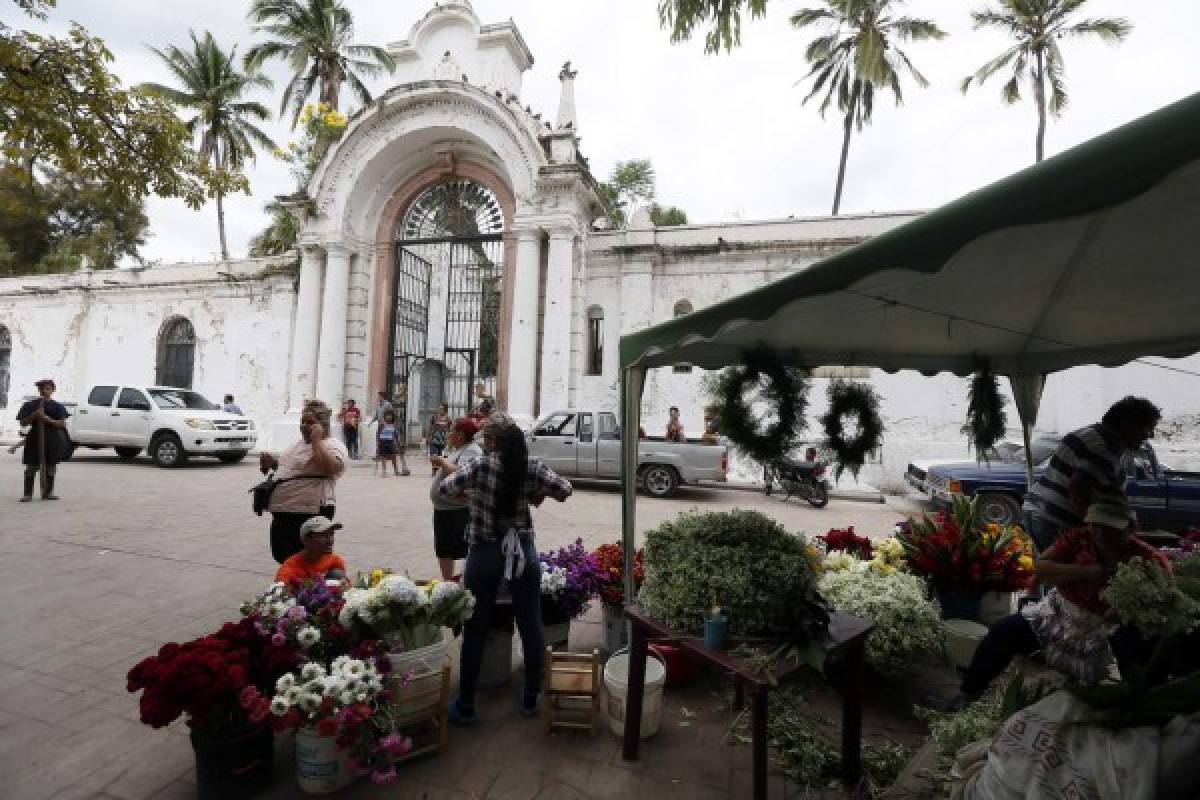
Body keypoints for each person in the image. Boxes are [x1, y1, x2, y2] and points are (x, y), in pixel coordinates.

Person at [948, 501, 1171, 710]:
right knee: (1003, 632)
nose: (1101, 534)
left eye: (1110, 529)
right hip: (1059, 614)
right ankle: (968, 692)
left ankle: (1132, 707)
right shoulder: (1079, 539)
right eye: (1096, 526)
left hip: (1108, 626)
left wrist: (1126, 611)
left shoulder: (1148, 558)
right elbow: (1041, 568)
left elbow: (1162, 602)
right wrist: (1085, 572)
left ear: (1131, 528)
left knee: (1132, 654)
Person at [437, 413, 573, 724]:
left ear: (495, 441)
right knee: (530, 621)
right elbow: (564, 490)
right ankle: (530, 698)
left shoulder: (480, 466)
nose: (483, 443)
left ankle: (467, 705)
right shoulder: (530, 466)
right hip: (522, 552)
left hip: (484, 553)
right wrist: (535, 495)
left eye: (486, 438)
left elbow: (444, 490)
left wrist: (470, 495)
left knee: (476, 627)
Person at [1023, 396, 1161, 551]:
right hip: (1057, 522)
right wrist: (1092, 532)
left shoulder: (1091, 433)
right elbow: (1079, 487)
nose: (1150, 435)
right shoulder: (1103, 448)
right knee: (1070, 573)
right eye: (1148, 428)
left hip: (1040, 514)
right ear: (1128, 424)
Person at [259, 401, 349, 563]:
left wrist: (316, 441)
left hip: (310, 512)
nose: (304, 426)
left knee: (309, 560)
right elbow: (294, 468)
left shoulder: (333, 445)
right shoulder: (297, 444)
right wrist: (273, 463)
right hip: (284, 512)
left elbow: (331, 468)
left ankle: (309, 588)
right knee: (286, 558)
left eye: (310, 422)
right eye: (302, 421)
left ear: (323, 425)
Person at [429, 416, 485, 580]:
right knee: (444, 549)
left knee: (461, 549)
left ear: (460, 434)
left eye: (452, 430)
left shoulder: (472, 450)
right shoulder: (460, 449)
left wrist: (441, 462)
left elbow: (463, 474)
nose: (448, 433)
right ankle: (448, 582)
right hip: (445, 509)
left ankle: (464, 582)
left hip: (458, 510)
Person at [16, 379, 71, 502]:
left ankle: (48, 492)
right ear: (39, 390)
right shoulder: (30, 405)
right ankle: (28, 494)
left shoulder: (58, 406)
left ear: (52, 390)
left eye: (47, 388)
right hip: (34, 440)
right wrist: (34, 415)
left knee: (51, 467)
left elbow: (62, 424)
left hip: (52, 440)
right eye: (42, 389)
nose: (44, 391)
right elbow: (23, 423)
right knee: (31, 467)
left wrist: (46, 419)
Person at [275, 517, 347, 584]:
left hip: (328, 595)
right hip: (299, 596)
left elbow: (346, 588)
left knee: (337, 574)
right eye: (323, 535)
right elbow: (278, 592)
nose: (330, 540)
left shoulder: (335, 561)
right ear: (306, 540)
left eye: (331, 534)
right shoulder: (289, 567)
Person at [376, 408, 409, 477]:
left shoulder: (393, 425)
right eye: (387, 415)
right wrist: (378, 443)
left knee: (393, 456)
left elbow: (395, 434)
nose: (389, 417)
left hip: (390, 441)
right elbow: (378, 433)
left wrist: (398, 442)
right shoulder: (382, 424)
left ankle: (396, 471)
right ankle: (384, 471)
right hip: (383, 441)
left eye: (390, 416)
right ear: (385, 416)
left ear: (392, 416)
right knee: (383, 457)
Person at [427, 404, 451, 475]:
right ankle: (434, 469)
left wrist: (449, 439)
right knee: (433, 455)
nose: (440, 410)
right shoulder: (434, 418)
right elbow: (431, 427)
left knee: (440, 456)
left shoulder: (448, 419)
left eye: (442, 409)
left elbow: (450, 429)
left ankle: (438, 469)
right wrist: (428, 437)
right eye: (439, 409)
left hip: (443, 439)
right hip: (434, 438)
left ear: (445, 410)